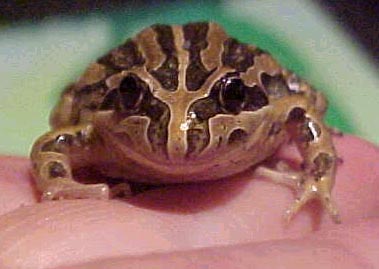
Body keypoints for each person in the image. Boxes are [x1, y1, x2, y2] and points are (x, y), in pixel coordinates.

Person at [0, 135, 378, 269]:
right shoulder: (99, 127)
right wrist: (59, 184)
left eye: (228, 98)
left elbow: (304, 109)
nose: (180, 131)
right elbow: (53, 143)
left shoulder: (273, 107)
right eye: (135, 97)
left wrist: (318, 175)